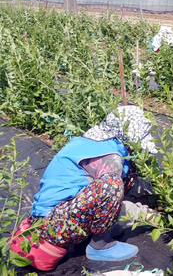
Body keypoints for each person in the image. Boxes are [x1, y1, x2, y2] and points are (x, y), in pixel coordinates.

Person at [15, 106, 157, 270]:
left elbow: (129, 183)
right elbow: (112, 194)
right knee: (112, 186)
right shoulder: (112, 159)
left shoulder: (96, 143)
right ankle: (100, 245)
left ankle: (94, 235)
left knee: (121, 183)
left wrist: (157, 188)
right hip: (54, 226)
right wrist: (151, 217)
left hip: (53, 216)